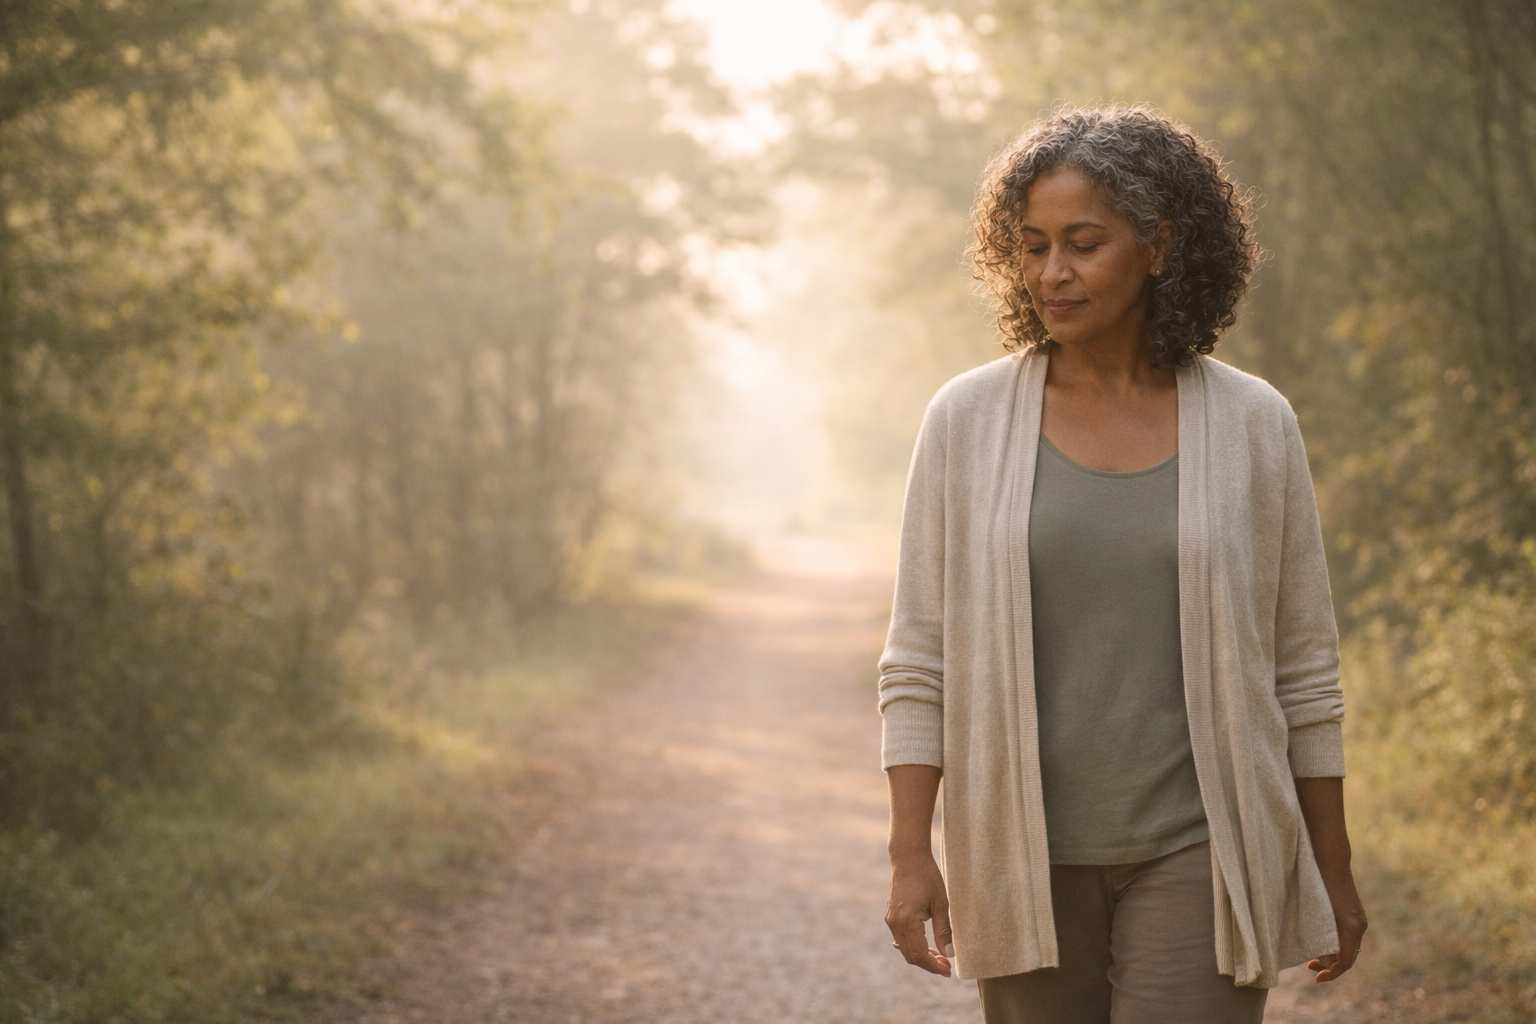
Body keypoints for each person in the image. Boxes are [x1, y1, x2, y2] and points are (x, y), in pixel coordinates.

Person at [877, 104, 1369, 1023]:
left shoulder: (1255, 424)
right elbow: (918, 661)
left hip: (1203, 844)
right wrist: (912, 853)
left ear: (1158, 243)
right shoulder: (967, 421)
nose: (1051, 273)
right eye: (1030, 246)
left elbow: (1303, 671)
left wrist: (1329, 870)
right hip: (1018, 848)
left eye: (1083, 243)